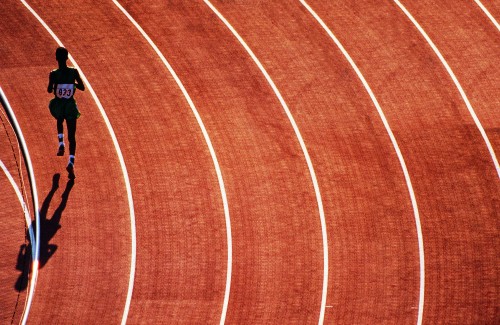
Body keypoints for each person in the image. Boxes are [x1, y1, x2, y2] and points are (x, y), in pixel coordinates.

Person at [47, 47, 84, 179]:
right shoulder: (73, 72)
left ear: (56, 58)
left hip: (59, 105)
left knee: (59, 119)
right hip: (70, 106)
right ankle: (71, 162)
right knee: (72, 137)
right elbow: (82, 87)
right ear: (67, 58)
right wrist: (72, 84)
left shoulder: (53, 74)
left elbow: (49, 90)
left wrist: (54, 82)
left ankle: (61, 142)